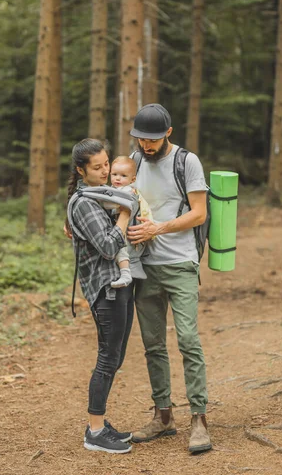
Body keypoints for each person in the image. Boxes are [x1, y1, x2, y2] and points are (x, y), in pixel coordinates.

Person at [126, 103, 212, 454]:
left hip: (180, 263)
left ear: (168, 134)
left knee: (189, 340)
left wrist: (159, 228)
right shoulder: (133, 161)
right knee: (153, 344)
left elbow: (199, 212)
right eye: (141, 139)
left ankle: (199, 420)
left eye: (153, 139)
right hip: (145, 267)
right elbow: (117, 198)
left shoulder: (186, 162)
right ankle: (163, 416)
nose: (147, 146)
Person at [66, 139, 134, 454]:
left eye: (106, 163)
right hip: (104, 288)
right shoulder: (84, 202)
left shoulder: (101, 196)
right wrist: (125, 213)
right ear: (81, 170)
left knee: (116, 356)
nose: (106, 171)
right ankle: (94, 430)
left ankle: (99, 424)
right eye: (97, 167)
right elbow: (108, 247)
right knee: (108, 357)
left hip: (119, 285)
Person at [108, 155, 151, 288]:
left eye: (123, 176)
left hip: (127, 233)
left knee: (121, 248)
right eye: (114, 174)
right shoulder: (114, 189)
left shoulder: (127, 192)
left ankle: (125, 274)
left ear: (132, 179)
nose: (118, 178)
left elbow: (115, 208)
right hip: (120, 229)